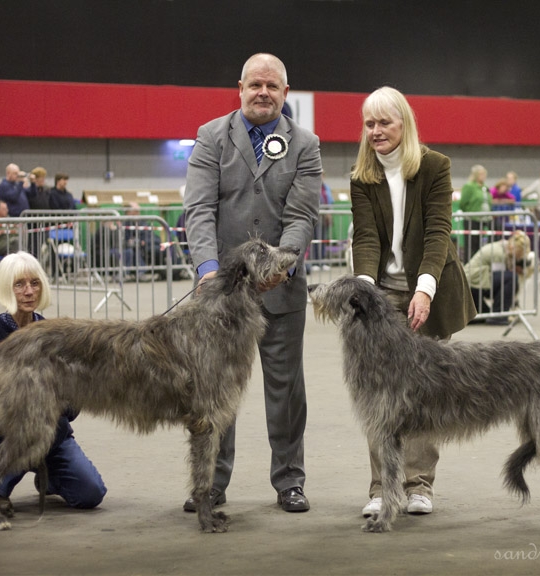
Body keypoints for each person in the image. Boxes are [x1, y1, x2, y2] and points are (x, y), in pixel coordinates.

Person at [183, 52, 321, 513]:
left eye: (272, 86)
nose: (263, 93)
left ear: (285, 92)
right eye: (255, 85)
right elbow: (199, 209)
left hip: (281, 289)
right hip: (220, 295)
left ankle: (289, 482)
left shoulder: (305, 143)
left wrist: (279, 266)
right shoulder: (210, 137)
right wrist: (206, 269)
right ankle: (211, 485)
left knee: (286, 392)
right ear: (239, 89)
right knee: (216, 392)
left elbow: (302, 215)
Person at [349, 86, 476, 519]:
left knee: (423, 394)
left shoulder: (435, 166)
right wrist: (365, 290)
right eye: (369, 123)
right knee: (377, 393)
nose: (376, 131)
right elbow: (366, 237)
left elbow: (439, 231)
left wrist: (424, 288)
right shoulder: (361, 176)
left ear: (405, 123)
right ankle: (383, 488)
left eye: (385, 122)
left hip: (430, 287)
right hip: (381, 291)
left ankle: (418, 485)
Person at [0, 251, 107, 517]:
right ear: (6, 288)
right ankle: (0, 487)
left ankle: (47, 478)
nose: (28, 291)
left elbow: (74, 400)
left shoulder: (54, 336)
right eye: (19, 284)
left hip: (50, 436)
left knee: (91, 493)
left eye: (34, 283)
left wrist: (54, 411)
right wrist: (12, 421)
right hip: (1, 436)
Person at [464, 230, 534, 325]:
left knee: (483, 314)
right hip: (473, 282)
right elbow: (499, 278)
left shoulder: (504, 247)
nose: (518, 259)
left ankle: (495, 313)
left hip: (474, 281)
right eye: (518, 256)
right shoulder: (498, 254)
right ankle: (498, 315)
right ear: (513, 248)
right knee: (511, 278)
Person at [459, 164, 491, 262]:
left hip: (484, 219)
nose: (483, 176)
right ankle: (468, 265)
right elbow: (463, 203)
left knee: (478, 245)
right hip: (471, 219)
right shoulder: (469, 186)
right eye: (481, 174)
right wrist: (470, 212)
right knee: (471, 245)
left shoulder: (485, 187)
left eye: (484, 174)